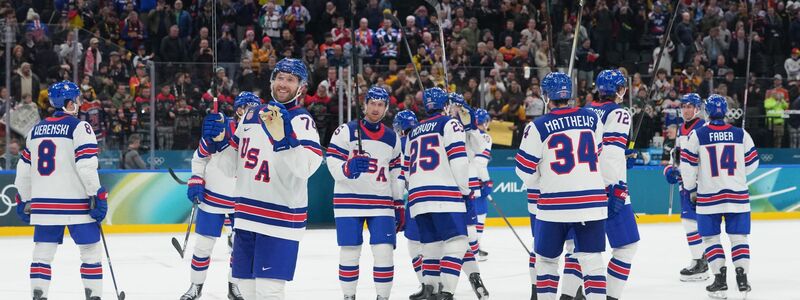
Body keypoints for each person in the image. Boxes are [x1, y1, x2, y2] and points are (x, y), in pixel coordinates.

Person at [202, 58, 323, 299]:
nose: (283, 84)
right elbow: (231, 166)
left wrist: (284, 141)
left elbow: (307, 168)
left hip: (280, 218)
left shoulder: (302, 121)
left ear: (301, 86)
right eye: (280, 77)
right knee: (245, 290)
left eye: (290, 79)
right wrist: (217, 143)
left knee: (269, 290)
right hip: (246, 216)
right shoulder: (250, 116)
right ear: (271, 81)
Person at [516, 72, 609, 300]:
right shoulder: (592, 118)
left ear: (547, 96)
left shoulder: (537, 126)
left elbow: (524, 171)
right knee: (592, 260)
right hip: (592, 202)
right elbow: (597, 153)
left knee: (547, 261)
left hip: (554, 205)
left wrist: (543, 179)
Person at [15, 81, 109, 300]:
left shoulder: (35, 130)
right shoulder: (79, 127)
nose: (78, 102)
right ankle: (93, 296)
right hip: (76, 204)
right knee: (90, 252)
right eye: (76, 99)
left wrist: (24, 199)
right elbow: (86, 166)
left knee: (42, 255)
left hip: (44, 205)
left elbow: (23, 170)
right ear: (68, 103)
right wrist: (97, 194)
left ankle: (39, 296)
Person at [180, 92, 262, 300]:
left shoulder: (263, 135)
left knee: (240, 248)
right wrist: (196, 179)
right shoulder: (220, 127)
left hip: (243, 200)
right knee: (203, 246)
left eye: (256, 109)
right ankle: (195, 287)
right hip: (214, 197)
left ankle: (234, 286)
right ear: (239, 110)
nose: (253, 113)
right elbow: (199, 159)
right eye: (249, 109)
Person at [326, 86, 402, 300]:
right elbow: (332, 161)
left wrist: (398, 202)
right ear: (365, 104)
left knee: (384, 252)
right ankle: (349, 296)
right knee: (350, 252)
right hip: (348, 200)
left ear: (386, 108)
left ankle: (382, 297)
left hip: (382, 202)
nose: (375, 108)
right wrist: (347, 168)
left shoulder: (392, 138)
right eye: (372, 103)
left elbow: (396, 172)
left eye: (380, 105)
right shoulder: (346, 131)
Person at [680, 94, 759, 299]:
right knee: (739, 238)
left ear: (706, 112)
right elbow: (752, 165)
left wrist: (690, 188)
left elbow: (688, 168)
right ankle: (742, 280)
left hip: (709, 197)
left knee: (711, 239)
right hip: (738, 196)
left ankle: (720, 280)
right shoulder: (741, 134)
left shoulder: (698, 135)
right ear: (725, 112)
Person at [403, 87, 470, 300]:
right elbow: (459, 160)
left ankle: (430, 289)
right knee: (457, 242)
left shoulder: (413, 130)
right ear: (446, 105)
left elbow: (405, 171)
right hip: (444, 194)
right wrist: (465, 189)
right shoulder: (450, 123)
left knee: (430, 246)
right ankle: (447, 292)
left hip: (417, 197)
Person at [582, 69, 640, 300]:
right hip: (606, 187)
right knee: (627, 247)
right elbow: (611, 154)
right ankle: (607, 297)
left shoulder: (584, 110)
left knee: (584, 250)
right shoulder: (619, 113)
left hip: (581, 188)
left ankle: (576, 291)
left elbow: (595, 150)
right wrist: (615, 186)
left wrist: (622, 156)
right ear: (619, 90)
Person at [663, 93, 710, 282]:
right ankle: (702, 259)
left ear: (698, 108)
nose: (686, 109)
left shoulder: (703, 128)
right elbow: (678, 155)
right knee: (691, 222)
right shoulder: (682, 127)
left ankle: (701, 261)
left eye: (690, 106)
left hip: (698, 184)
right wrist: (670, 169)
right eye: (684, 106)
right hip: (686, 181)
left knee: (692, 222)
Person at [448, 92, 490, 299]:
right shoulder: (444, 125)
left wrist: (471, 126)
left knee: (467, 234)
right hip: (446, 189)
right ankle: (445, 284)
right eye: (454, 108)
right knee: (450, 240)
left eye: (459, 108)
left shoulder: (469, 131)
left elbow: (479, 147)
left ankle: (474, 277)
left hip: (463, 190)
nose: (456, 112)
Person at [392, 110, 428, 300]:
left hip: (416, 199)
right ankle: (445, 285)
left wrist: (397, 202)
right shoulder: (427, 137)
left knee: (415, 245)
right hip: (440, 197)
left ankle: (427, 285)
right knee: (438, 245)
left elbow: (400, 178)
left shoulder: (401, 144)